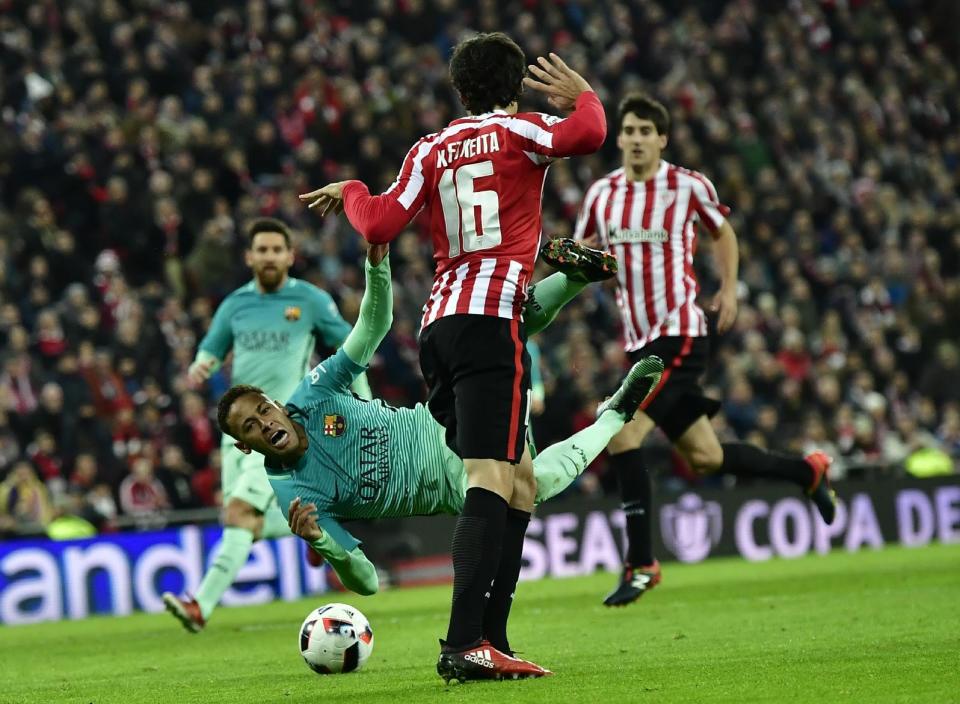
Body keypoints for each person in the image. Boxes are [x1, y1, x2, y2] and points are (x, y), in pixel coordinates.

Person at [298, 33, 607, 680]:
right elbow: (589, 132)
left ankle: (492, 637)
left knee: (518, 478)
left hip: (438, 327)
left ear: (459, 91)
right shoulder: (523, 131)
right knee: (491, 479)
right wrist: (580, 94)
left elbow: (378, 225)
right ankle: (463, 643)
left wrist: (354, 187)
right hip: (495, 320)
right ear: (515, 85)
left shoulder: (431, 148)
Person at [215, 241, 662, 681]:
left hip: (442, 417)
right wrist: (322, 543)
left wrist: (377, 263)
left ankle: (574, 283)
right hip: (454, 486)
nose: (263, 423)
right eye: (249, 428)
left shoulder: (312, 394)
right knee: (533, 483)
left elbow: (372, 329)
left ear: (274, 402)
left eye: (262, 410)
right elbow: (368, 582)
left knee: (490, 338)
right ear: (245, 447)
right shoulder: (295, 494)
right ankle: (614, 411)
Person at [573, 94, 838, 607]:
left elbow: (724, 232)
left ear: (663, 138)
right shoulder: (602, 194)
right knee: (706, 457)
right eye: (628, 129)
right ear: (620, 136)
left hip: (681, 335)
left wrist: (730, 287)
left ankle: (642, 563)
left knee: (623, 435)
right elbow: (588, 257)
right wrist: (583, 269)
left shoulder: (687, 185)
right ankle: (807, 471)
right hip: (638, 341)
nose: (635, 138)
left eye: (646, 130)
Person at [163, 217, 368, 632]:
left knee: (241, 511)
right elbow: (210, 348)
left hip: (280, 428)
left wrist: (364, 399)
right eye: (262, 250)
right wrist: (202, 363)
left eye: (277, 249)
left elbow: (352, 347)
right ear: (250, 256)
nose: (270, 256)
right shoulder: (235, 304)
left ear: (290, 255)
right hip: (238, 435)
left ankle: (200, 606)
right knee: (247, 525)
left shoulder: (309, 300)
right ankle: (318, 531)